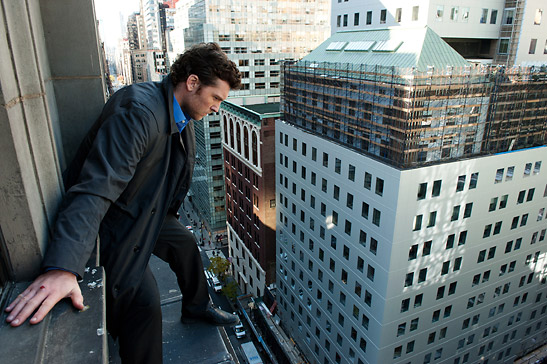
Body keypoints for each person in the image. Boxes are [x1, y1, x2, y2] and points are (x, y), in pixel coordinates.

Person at [4, 43, 241, 364]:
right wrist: (62, 267)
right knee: (144, 306)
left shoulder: (177, 111)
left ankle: (197, 307)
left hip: (148, 208)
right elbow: (94, 189)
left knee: (184, 242)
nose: (216, 108)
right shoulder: (139, 114)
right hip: (118, 221)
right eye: (216, 99)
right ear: (193, 82)